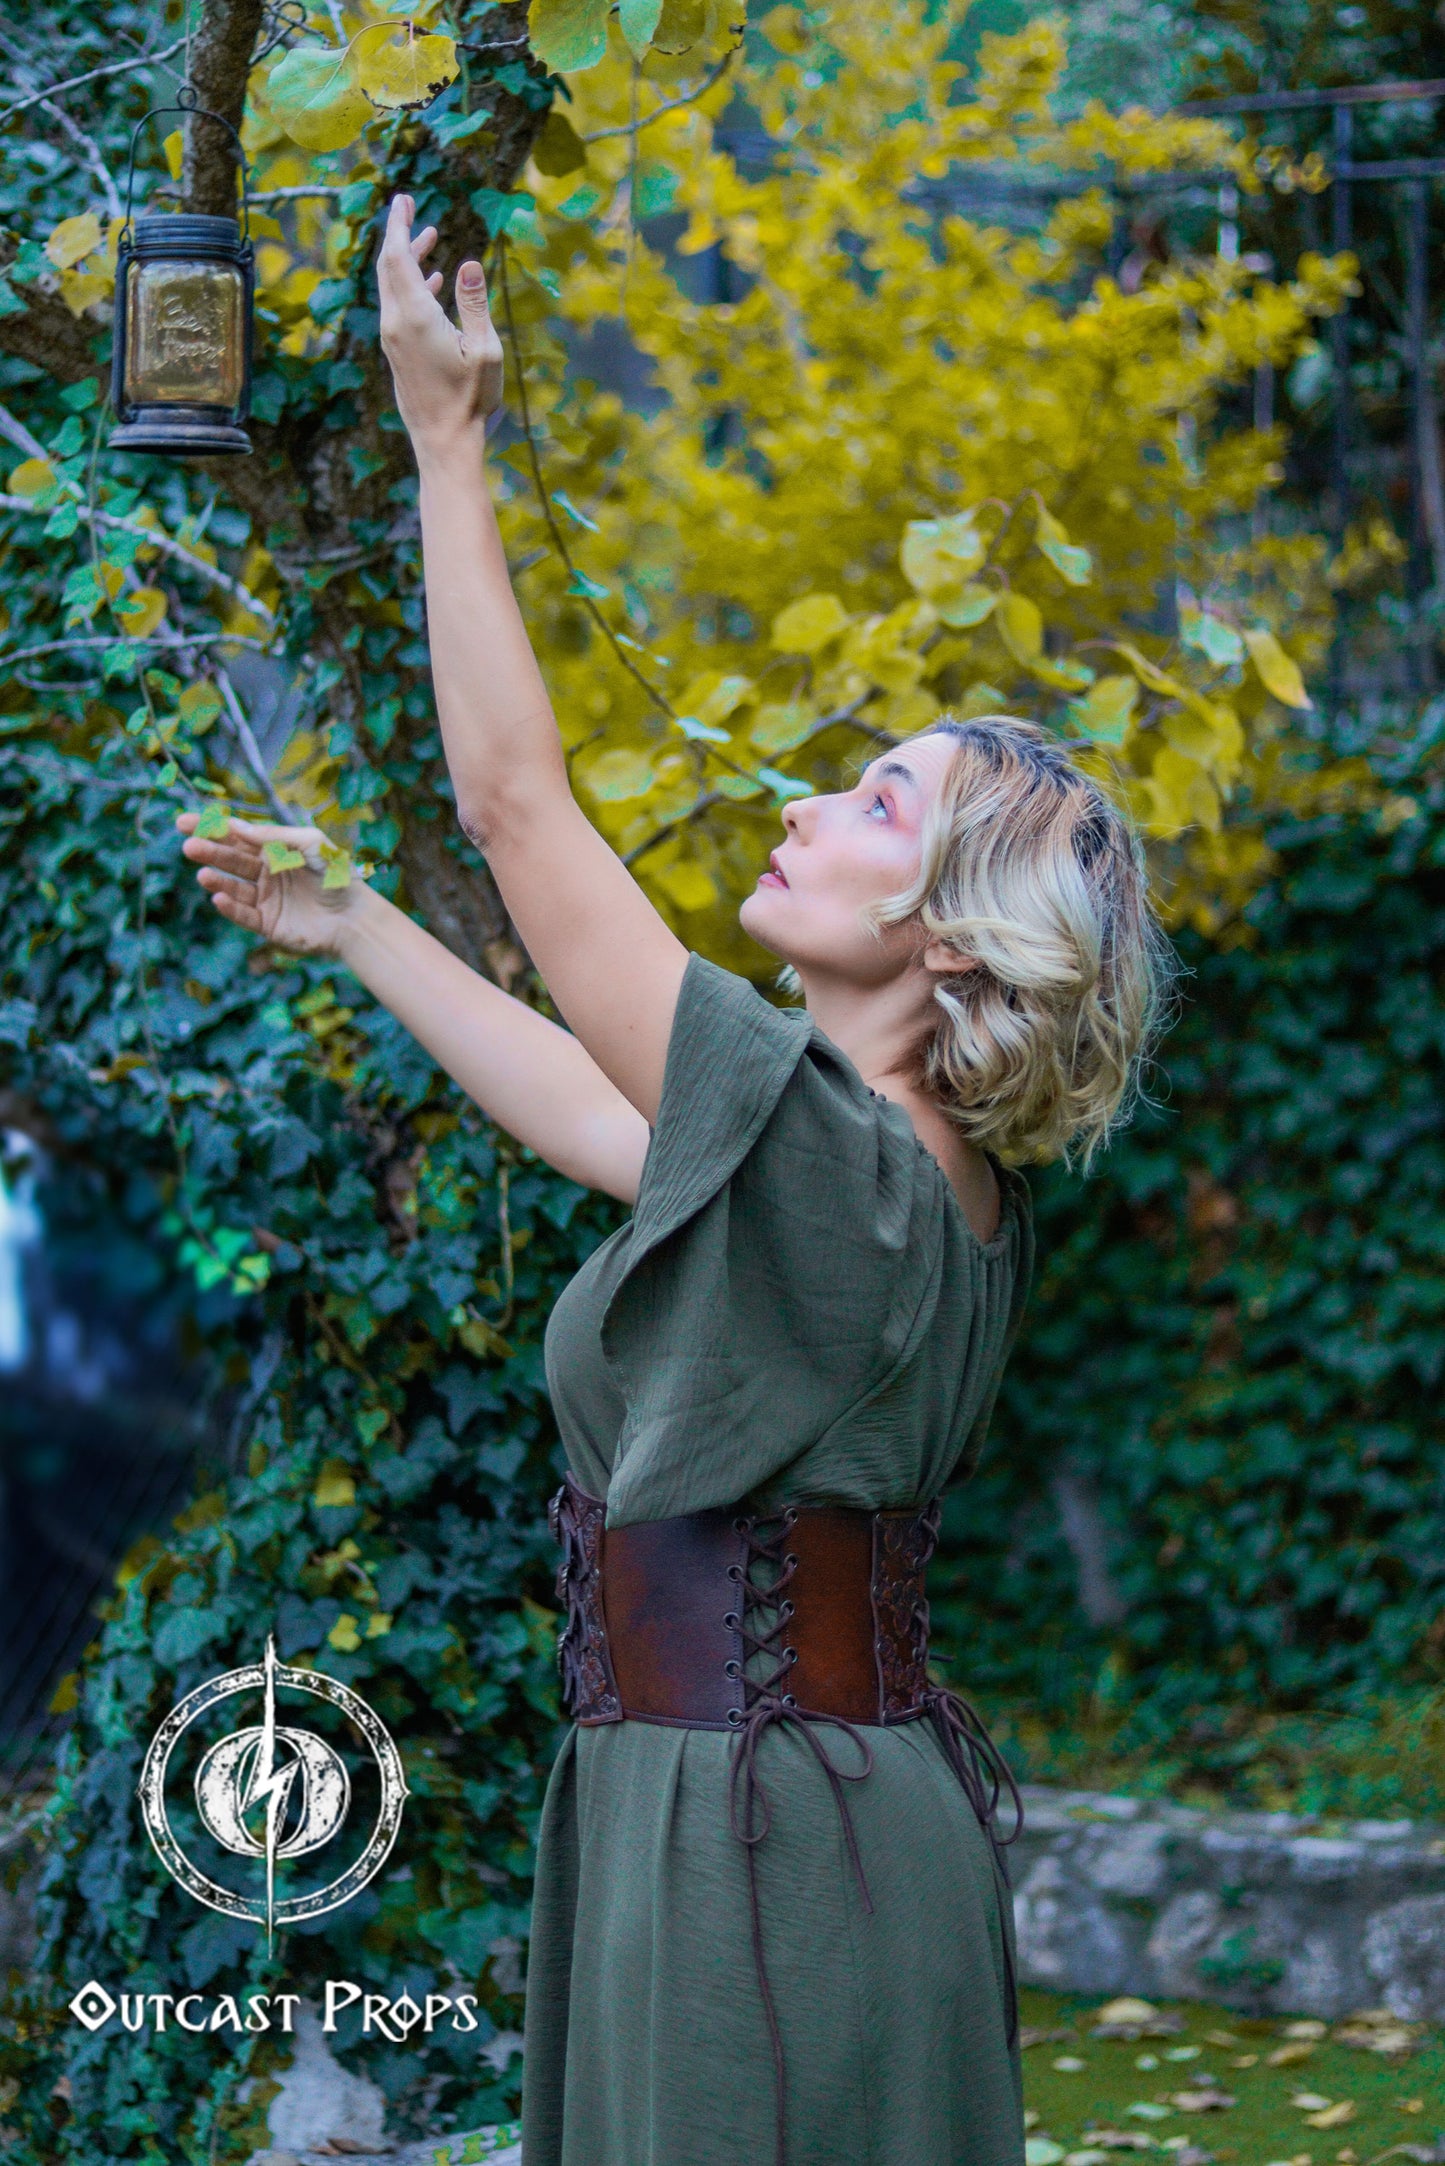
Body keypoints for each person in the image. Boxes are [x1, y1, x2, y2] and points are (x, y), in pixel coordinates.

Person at [178, 195, 1169, 2166]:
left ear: (954, 941)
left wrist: (445, 437)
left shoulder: (841, 1169)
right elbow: (584, 1103)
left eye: (880, 802)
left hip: (761, 1857)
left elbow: (517, 806)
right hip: (750, 1814)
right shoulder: (883, 1176)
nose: (814, 805)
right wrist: (360, 921)